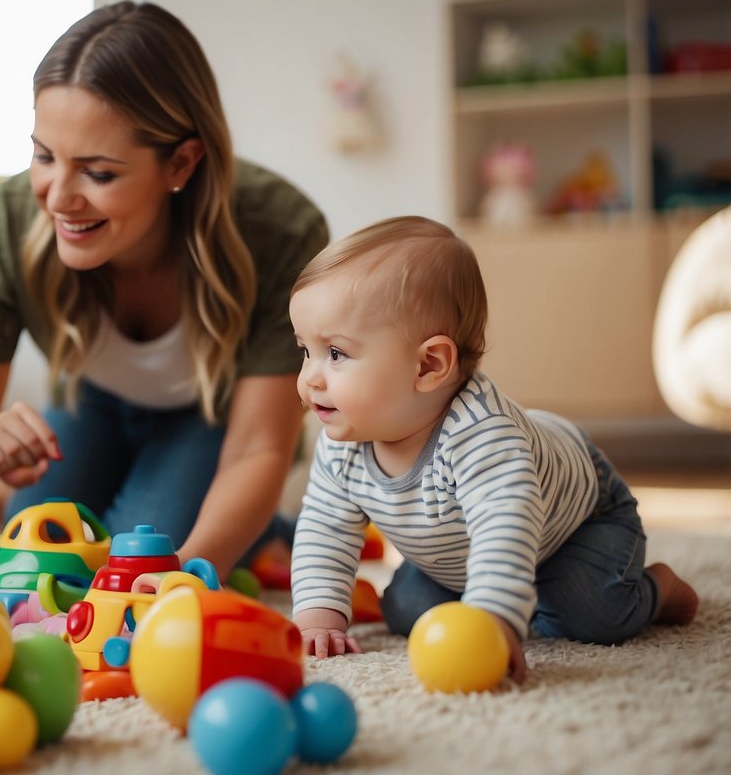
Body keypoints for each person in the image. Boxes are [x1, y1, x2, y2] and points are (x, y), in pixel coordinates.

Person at [0, 0, 329, 574]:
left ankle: (270, 528)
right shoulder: (7, 223)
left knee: (133, 560)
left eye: (99, 172)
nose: (57, 196)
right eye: (43, 155)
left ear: (181, 164)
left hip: (215, 417)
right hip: (89, 403)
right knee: (38, 562)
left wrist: (187, 576)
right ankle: (242, 524)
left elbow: (256, 448)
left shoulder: (279, 231)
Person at [288, 215, 699, 682]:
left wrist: (495, 619)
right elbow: (325, 527)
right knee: (407, 610)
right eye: (305, 350)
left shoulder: (481, 435)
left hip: (579, 521)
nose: (310, 377)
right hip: (461, 555)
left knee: (591, 612)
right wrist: (318, 615)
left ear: (429, 365)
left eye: (336, 354)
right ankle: (513, 594)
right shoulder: (342, 443)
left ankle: (657, 588)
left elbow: (505, 525)